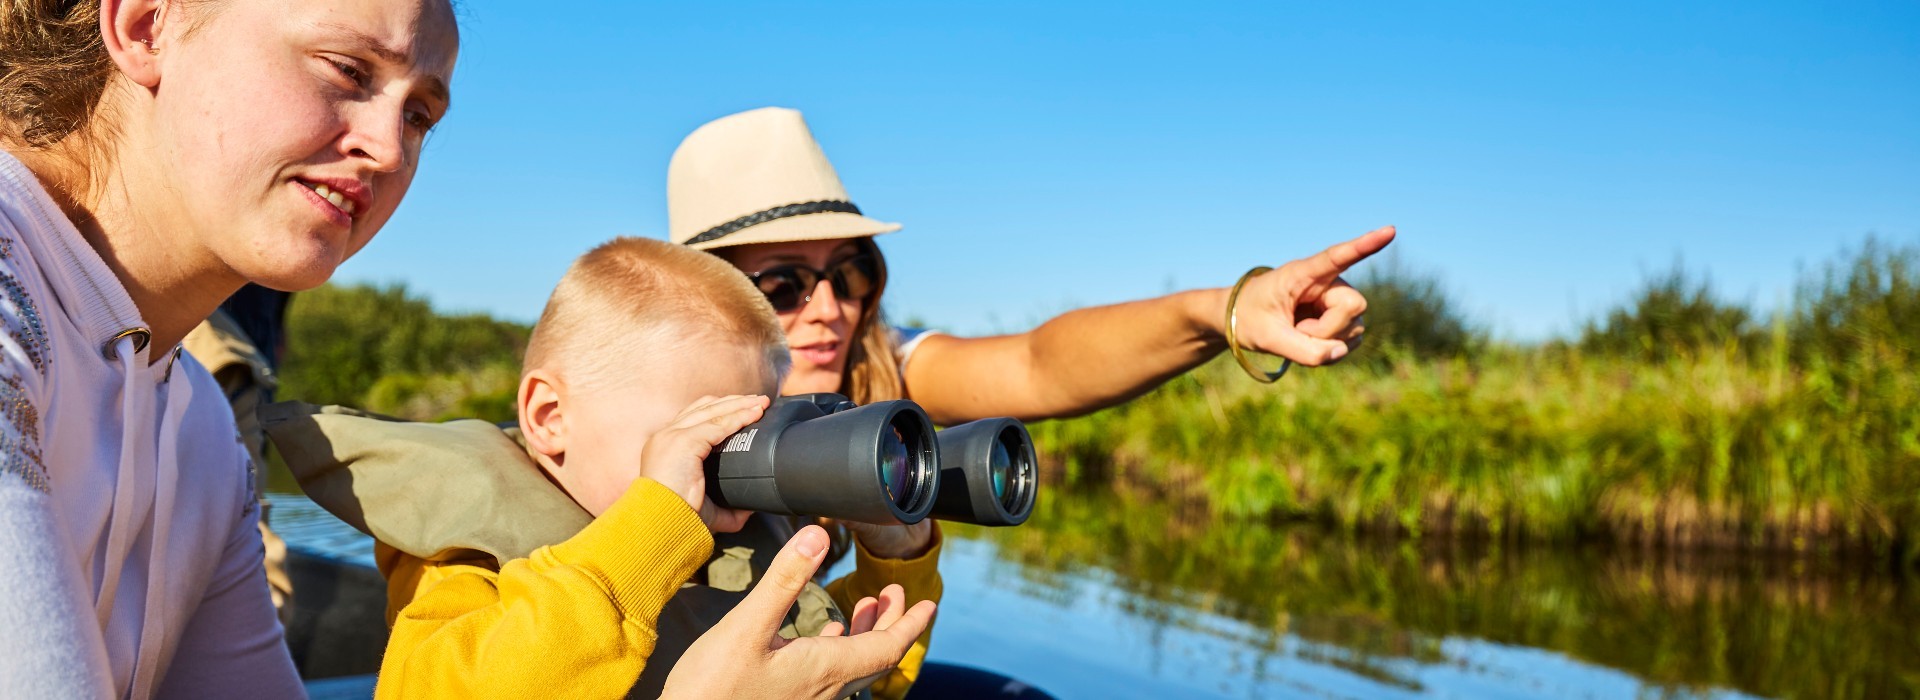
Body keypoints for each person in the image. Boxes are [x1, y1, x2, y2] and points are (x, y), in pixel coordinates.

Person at [0, 0, 458, 694]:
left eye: (419, 114)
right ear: (146, 25)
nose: (391, 149)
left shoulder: (200, 430)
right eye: (348, 70)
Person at [366, 237, 940, 699]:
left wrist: (896, 561)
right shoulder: (469, 555)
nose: (723, 473)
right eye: (697, 440)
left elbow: (869, 675)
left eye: (746, 440)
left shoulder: (726, 542)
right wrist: (653, 526)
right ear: (549, 416)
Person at [668, 107, 1392, 427]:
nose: (831, 309)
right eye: (785, 285)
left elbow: (1039, 366)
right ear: (707, 297)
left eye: (850, 273)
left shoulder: (875, 369)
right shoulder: (645, 404)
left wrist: (1223, 311)